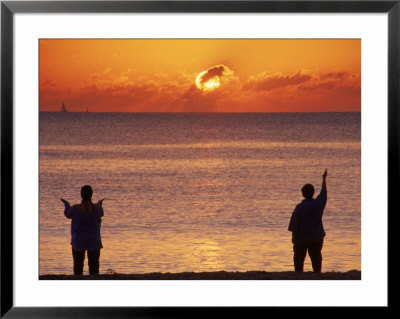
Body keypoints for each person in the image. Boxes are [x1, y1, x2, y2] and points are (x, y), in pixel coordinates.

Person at [288, 169, 328, 272]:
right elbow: (324, 193)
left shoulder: (299, 207)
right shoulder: (318, 204)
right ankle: (317, 274)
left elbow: (294, 226)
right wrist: (324, 179)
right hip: (316, 238)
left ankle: (299, 274)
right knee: (316, 259)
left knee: (298, 261)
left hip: (302, 239)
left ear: (302, 194)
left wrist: (294, 239)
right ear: (313, 193)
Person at [61, 185, 105, 275]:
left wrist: (67, 205)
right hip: (94, 240)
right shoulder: (97, 208)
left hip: (78, 241)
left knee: (78, 266)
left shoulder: (75, 208)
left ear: (81, 195)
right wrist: (100, 204)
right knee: (94, 267)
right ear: (91, 195)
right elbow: (101, 213)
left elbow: (67, 214)